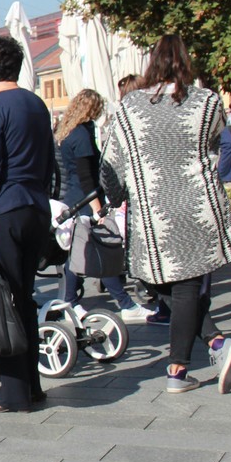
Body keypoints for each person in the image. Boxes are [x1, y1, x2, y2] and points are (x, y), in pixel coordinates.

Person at [102, 36, 231, 394]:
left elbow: (109, 162)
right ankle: (215, 343)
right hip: (198, 204)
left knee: (172, 285)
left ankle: (177, 370)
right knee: (179, 286)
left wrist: (118, 195)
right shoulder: (208, 102)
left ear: (152, 63)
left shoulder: (130, 106)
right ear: (186, 61)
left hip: (152, 212)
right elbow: (216, 145)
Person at [0, 36, 56, 412]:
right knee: (25, 298)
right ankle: (31, 385)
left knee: (4, 301)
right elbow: (49, 159)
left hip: (4, 211)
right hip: (36, 207)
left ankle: (13, 391)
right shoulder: (37, 104)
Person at [53, 89, 154, 324]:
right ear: (92, 109)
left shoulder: (65, 132)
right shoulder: (81, 135)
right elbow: (87, 176)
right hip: (86, 200)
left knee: (78, 254)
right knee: (102, 250)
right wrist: (98, 209)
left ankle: (70, 300)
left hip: (73, 198)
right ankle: (125, 304)